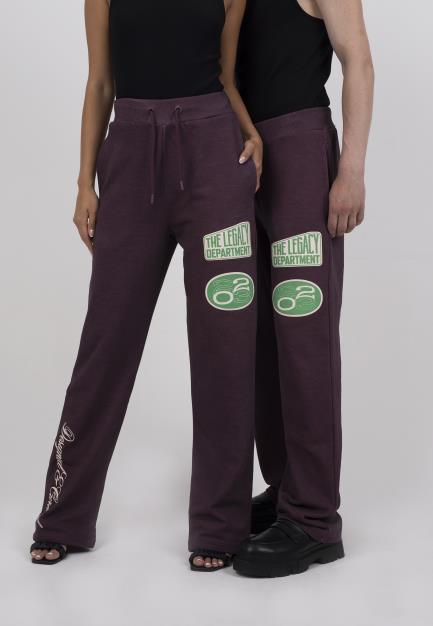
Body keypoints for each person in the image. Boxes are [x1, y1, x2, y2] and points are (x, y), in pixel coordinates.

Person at [30, 0, 262, 571]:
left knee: (225, 347)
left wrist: (251, 134)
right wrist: (84, 183)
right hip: (131, 157)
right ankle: (63, 516)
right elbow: (100, 82)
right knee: (106, 341)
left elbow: (226, 77)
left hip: (215, 156)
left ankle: (220, 526)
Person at [235, 0, 374, 577]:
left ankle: (315, 519)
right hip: (240, 155)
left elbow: (357, 58)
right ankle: (286, 488)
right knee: (258, 337)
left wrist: (351, 170)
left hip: (298, 147)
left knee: (303, 337)